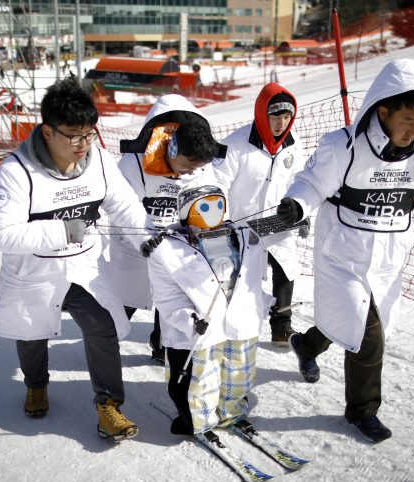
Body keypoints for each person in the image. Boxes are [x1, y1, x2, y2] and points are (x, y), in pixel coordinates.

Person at [277, 58, 414, 443]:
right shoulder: (343, 146)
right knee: (368, 333)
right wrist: (296, 204)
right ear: (383, 109)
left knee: (351, 319)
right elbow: (311, 183)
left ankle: (305, 345)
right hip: (342, 253)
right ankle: (362, 411)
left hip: (389, 256)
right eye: (407, 120)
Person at [0, 76, 154, 441]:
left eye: (88, 134)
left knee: (103, 326)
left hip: (83, 268)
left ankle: (108, 406)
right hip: (36, 271)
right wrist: (63, 230)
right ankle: (36, 385)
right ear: (47, 132)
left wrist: (148, 238)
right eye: (73, 135)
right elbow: (2, 233)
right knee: (31, 331)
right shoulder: (16, 174)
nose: (83, 144)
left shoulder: (97, 160)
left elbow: (125, 205)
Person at [141, 185, 274, 436]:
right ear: (186, 212)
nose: (213, 213)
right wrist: (189, 321)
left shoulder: (244, 234)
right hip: (200, 329)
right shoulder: (168, 249)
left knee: (238, 375)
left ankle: (231, 410)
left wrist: (294, 213)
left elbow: (279, 224)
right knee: (199, 382)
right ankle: (197, 422)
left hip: (240, 322)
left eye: (218, 205)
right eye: (204, 207)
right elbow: (167, 298)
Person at [109, 94, 226, 365]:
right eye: (185, 166)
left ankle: (162, 343)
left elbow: (208, 199)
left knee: (173, 293)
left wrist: (204, 229)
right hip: (136, 241)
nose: (188, 173)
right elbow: (121, 206)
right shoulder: (133, 162)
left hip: (176, 242)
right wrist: (145, 235)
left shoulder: (200, 163)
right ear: (172, 150)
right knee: (126, 296)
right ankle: (106, 339)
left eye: (194, 169)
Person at [213, 82, 306, 345]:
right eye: (275, 115)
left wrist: (303, 211)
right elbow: (218, 183)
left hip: (279, 221)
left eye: (287, 116)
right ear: (262, 113)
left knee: (286, 269)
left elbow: (302, 181)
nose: (281, 122)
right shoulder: (236, 145)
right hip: (242, 226)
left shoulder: (293, 145)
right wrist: (221, 221)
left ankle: (281, 327)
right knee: (242, 278)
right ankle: (233, 325)